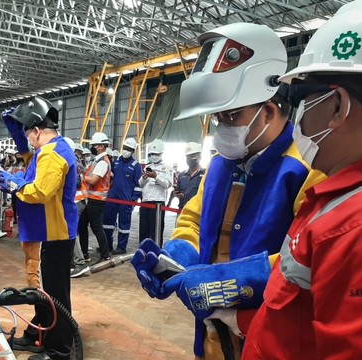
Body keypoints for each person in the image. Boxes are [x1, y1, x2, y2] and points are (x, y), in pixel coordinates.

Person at [240, 1, 362, 357]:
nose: (296, 118)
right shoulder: (358, 201)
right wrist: (247, 323)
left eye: (300, 99)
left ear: (338, 106)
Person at [131, 22, 323, 360]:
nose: (222, 128)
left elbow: (308, 262)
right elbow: (193, 219)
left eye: (231, 116)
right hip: (214, 336)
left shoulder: (306, 170)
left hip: (270, 338)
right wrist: (178, 258)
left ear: (268, 110)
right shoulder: (221, 165)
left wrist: (226, 280)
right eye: (217, 118)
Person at [0, 97, 78, 360]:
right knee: (45, 291)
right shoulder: (50, 149)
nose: (28, 140)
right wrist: (14, 128)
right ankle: (39, 334)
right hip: (47, 233)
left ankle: (59, 351)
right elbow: (29, 159)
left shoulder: (53, 154)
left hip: (52, 235)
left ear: (36, 131)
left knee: (54, 296)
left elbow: (40, 191)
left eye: (27, 133)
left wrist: (12, 184)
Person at [102, 137, 142, 254]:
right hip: (112, 198)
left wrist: (133, 200)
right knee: (107, 223)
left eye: (129, 149)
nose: (126, 150)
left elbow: (138, 185)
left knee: (124, 225)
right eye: (125, 148)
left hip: (126, 200)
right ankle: (107, 245)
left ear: (133, 151)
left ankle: (121, 247)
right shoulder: (116, 162)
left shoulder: (136, 166)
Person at [79, 132, 113, 264]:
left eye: (94, 145)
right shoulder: (97, 160)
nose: (92, 147)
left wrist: (81, 178)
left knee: (96, 227)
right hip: (91, 199)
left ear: (100, 146)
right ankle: (84, 252)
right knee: (83, 225)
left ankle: (105, 254)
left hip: (96, 200)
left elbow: (93, 180)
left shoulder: (103, 162)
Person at [138, 139, 173, 241]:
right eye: (152, 154)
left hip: (157, 204)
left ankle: (156, 254)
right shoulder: (148, 167)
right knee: (143, 231)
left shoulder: (167, 168)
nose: (154, 156)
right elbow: (140, 183)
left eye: (156, 154)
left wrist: (156, 176)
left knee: (156, 232)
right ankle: (143, 252)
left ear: (161, 154)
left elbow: (167, 185)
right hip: (145, 201)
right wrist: (144, 178)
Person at [71, 142, 91, 278]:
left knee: (70, 232)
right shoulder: (76, 162)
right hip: (80, 200)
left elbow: (76, 182)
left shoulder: (72, 162)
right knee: (72, 231)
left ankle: (79, 263)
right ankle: (75, 262)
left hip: (77, 200)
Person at [173, 142, 205, 210]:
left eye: (193, 156)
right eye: (188, 156)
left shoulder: (205, 174)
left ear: (200, 157)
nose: (190, 159)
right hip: (182, 210)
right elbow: (179, 191)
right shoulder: (182, 175)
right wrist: (176, 194)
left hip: (197, 211)